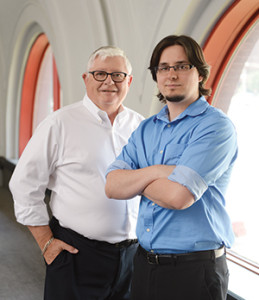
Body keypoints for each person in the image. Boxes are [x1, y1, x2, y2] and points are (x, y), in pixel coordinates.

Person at [105, 35, 238, 300]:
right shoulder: (146, 128)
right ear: (156, 76)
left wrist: (137, 180)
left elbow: (179, 197)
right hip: (144, 266)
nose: (171, 74)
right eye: (163, 68)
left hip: (195, 272)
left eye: (181, 66)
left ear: (199, 74)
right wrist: (159, 172)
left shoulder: (215, 127)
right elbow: (112, 185)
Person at [9, 46, 144, 300]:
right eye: (100, 74)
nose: (109, 82)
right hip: (76, 255)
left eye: (118, 75)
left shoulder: (141, 126)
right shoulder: (59, 123)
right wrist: (46, 243)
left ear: (129, 81)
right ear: (86, 78)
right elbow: (23, 185)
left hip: (131, 259)